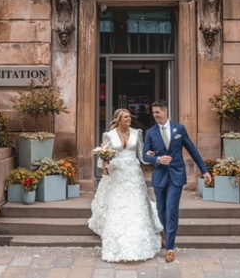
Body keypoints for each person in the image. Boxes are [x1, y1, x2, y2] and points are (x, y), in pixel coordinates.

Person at [88, 108, 163, 262]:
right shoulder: (109, 135)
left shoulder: (137, 133)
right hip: (116, 173)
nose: (129, 119)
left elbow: (141, 155)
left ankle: (139, 235)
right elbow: (103, 155)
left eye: (130, 116)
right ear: (118, 119)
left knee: (136, 203)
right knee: (117, 203)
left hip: (133, 173)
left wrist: (154, 157)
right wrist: (105, 162)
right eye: (126, 117)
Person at [142, 99, 212, 263]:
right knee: (161, 210)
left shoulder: (179, 129)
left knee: (172, 209)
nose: (155, 115)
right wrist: (157, 159)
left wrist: (205, 171)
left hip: (176, 176)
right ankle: (166, 232)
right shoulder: (150, 132)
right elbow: (145, 155)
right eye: (153, 113)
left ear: (166, 112)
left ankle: (170, 248)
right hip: (159, 176)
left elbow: (193, 150)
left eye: (157, 112)